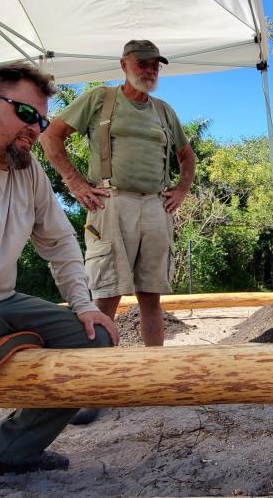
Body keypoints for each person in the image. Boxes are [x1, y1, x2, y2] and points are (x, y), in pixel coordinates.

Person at [0, 62, 119, 497]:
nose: (36, 128)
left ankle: (10, 452)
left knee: (95, 340)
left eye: (41, 119)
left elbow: (59, 244)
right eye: (25, 112)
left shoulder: (29, 172)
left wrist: (84, 305)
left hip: (1, 301)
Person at [41, 39, 196, 351]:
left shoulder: (164, 112)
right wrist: (76, 182)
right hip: (111, 203)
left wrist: (180, 190)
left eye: (155, 65)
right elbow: (50, 136)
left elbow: (187, 157)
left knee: (151, 296)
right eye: (143, 63)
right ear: (124, 64)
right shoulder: (101, 98)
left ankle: (153, 370)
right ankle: (96, 376)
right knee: (107, 290)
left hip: (155, 205)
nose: (150, 70)